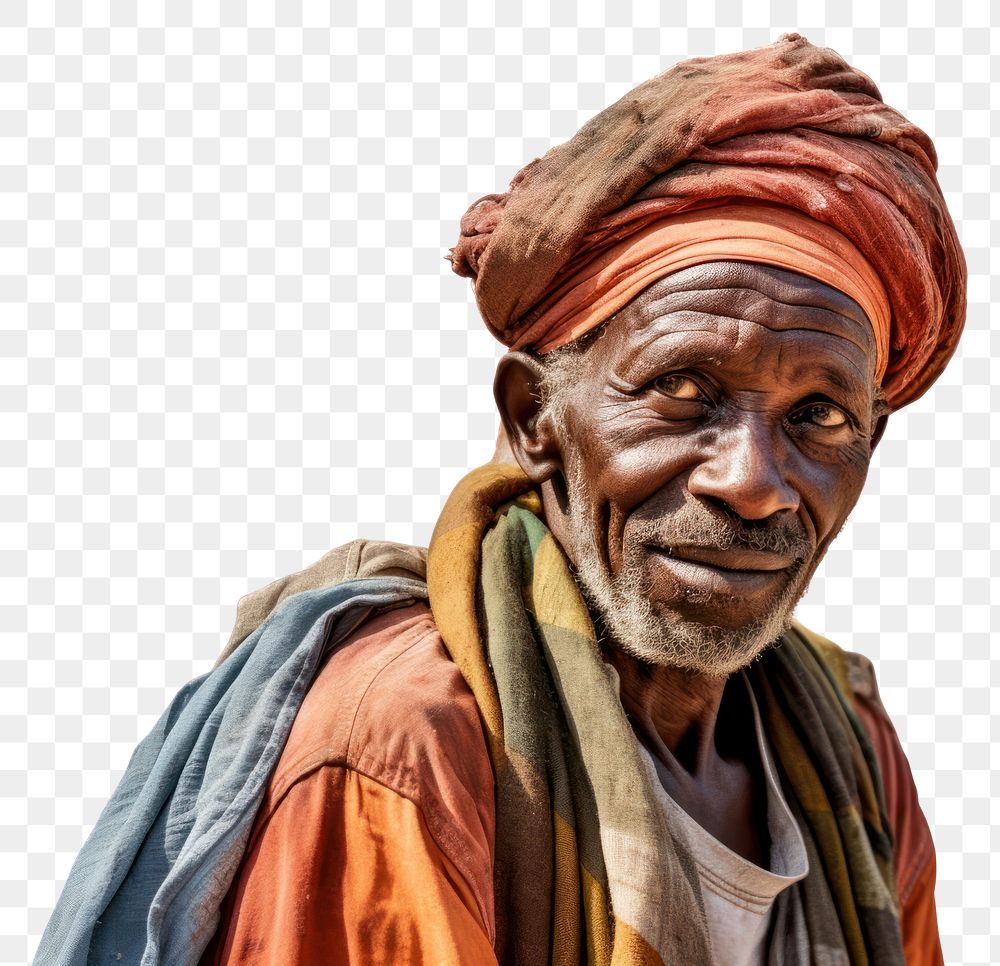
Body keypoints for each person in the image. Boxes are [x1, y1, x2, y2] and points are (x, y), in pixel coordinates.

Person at [38, 34, 963, 966]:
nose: (753, 480)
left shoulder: (851, 746)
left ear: (871, 445)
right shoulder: (407, 743)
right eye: (683, 391)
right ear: (535, 420)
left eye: (819, 414)